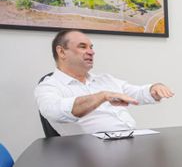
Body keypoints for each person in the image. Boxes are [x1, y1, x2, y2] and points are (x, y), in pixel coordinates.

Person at [35, 29, 174, 136]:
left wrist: (154, 89)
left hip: (131, 141)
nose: (91, 52)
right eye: (83, 47)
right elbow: (53, 111)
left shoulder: (105, 79)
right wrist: (102, 96)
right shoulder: (49, 86)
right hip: (88, 154)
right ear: (61, 52)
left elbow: (136, 93)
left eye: (91, 47)